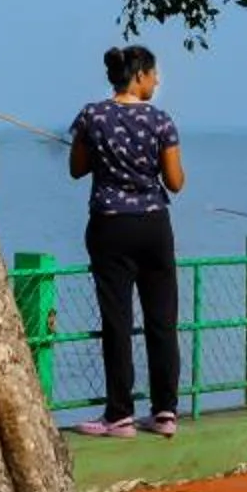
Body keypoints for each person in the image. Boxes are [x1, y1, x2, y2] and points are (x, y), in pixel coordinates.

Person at [68, 44, 187, 439]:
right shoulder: (161, 121)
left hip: (110, 226)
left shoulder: (92, 115)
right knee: (162, 319)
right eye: (153, 74)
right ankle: (165, 411)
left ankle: (119, 415)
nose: (157, 80)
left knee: (117, 321)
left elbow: (76, 169)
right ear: (139, 76)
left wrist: (103, 158)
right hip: (154, 225)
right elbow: (175, 182)